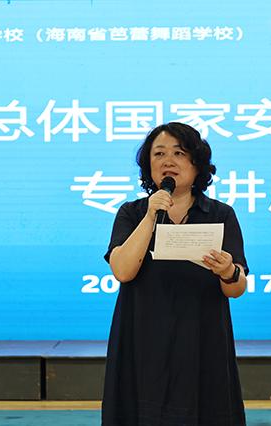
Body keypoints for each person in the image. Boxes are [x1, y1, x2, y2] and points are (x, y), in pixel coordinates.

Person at [102, 122, 248, 426]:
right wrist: (151, 216)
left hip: (202, 338)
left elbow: (236, 288)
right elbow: (123, 271)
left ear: (197, 163)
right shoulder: (132, 213)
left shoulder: (220, 214)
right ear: (148, 166)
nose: (168, 160)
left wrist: (227, 271)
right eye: (159, 154)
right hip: (143, 338)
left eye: (179, 153)